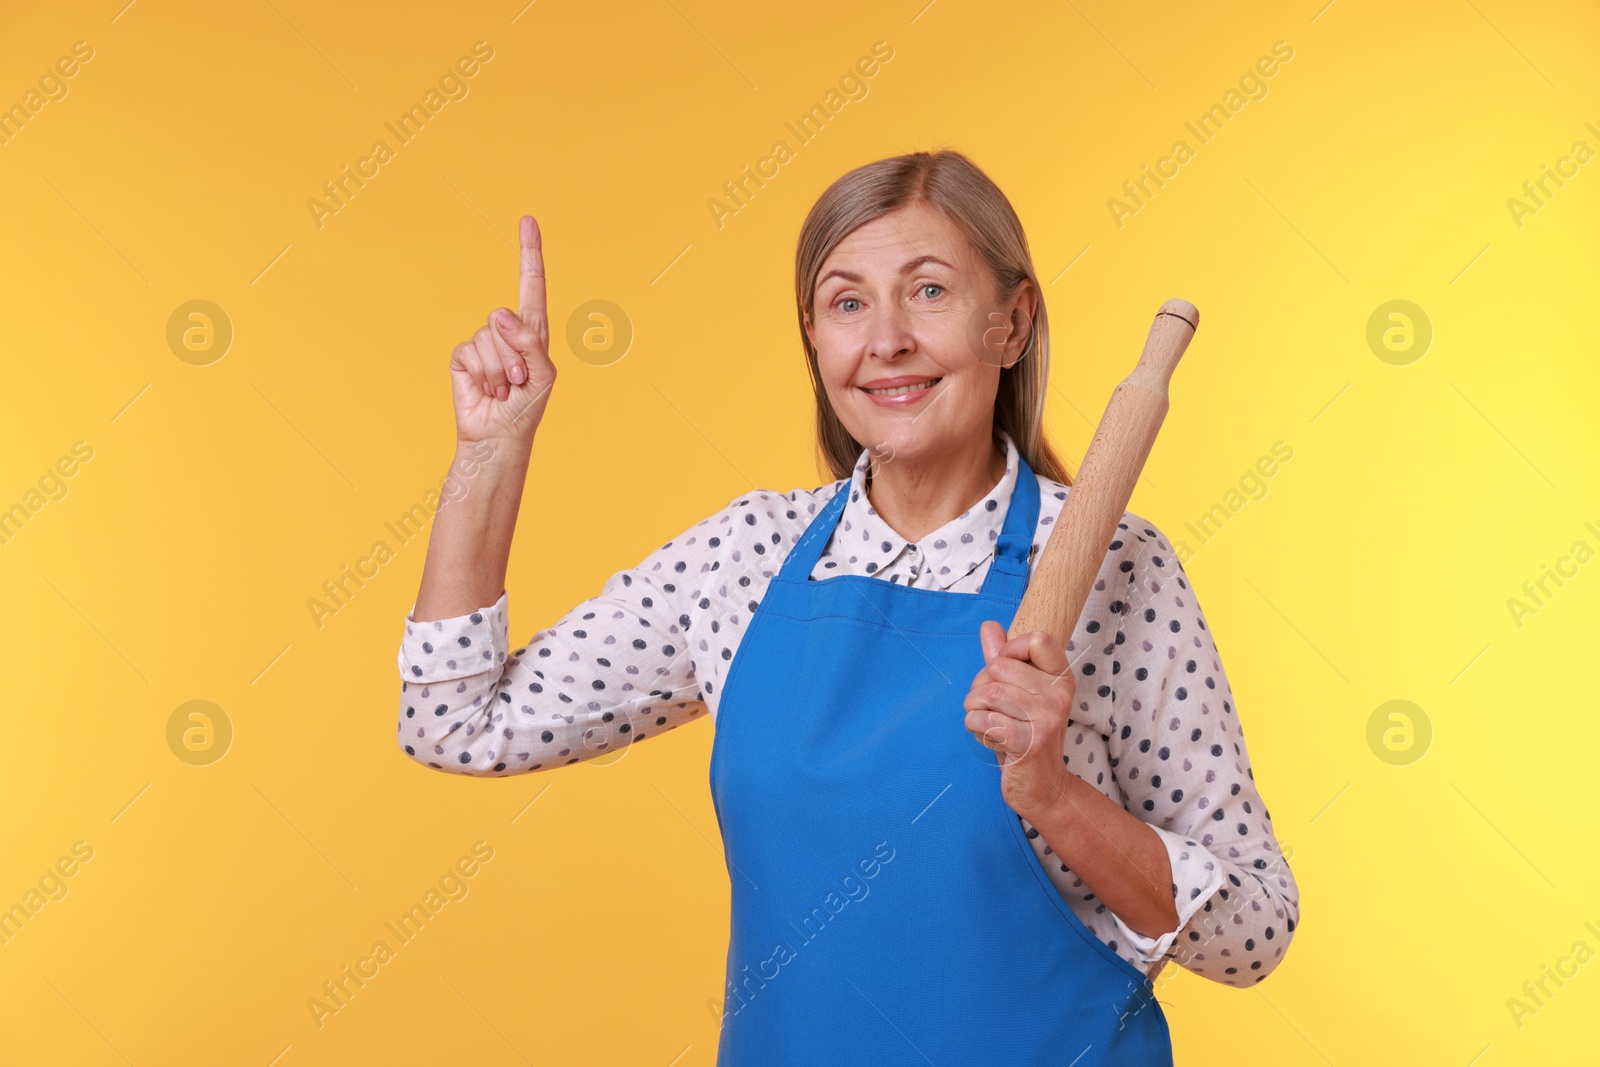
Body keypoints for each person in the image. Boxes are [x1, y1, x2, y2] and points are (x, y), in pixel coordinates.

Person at [396, 149, 1299, 1065]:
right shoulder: (742, 557)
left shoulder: (1117, 567)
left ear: (1013, 323)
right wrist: (489, 454)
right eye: (848, 302)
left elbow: (1254, 931)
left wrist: (1056, 796)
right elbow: (455, 722)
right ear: (815, 339)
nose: (887, 340)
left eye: (931, 291)